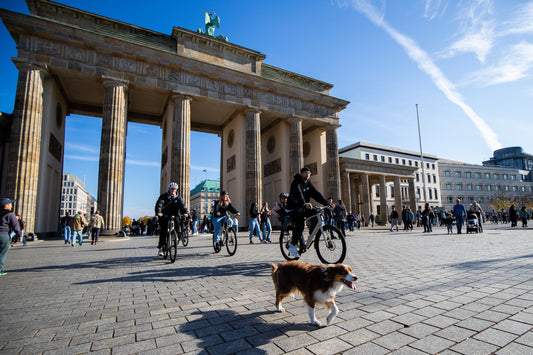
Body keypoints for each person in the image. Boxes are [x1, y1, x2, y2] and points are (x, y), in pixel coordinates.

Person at [286, 167, 333, 258]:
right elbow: (298, 193)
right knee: (300, 225)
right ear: (301, 174)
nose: (307, 175)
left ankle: (312, 233)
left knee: (316, 212)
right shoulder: (296, 182)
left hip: (303, 207)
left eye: (308, 173)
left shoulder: (308, 183)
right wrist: (304, 203)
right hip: (294, 208)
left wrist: (327, 203)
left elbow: (316, 194)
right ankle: (292, 246)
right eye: (305, 173)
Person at [155, 182, 189, 257]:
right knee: (163, 231)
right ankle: (161, 247)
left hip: (175, 214)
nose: (173, 190)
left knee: (177, 226)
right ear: (169, 189)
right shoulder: (163, 196)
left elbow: (183, 206)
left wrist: (186, 213)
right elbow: (159, 204)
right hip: (165, 215)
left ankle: (176, 238)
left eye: (174, 189)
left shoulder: (178, 198)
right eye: (172, 188)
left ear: (176, 190)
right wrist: (159, 212)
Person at [0, 198, 22, 275]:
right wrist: (20, 235)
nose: (11, 206)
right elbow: (16, 226)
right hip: (3, 235)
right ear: (6, 205)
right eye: (10, 204)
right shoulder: (10, 214)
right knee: (2, 252)